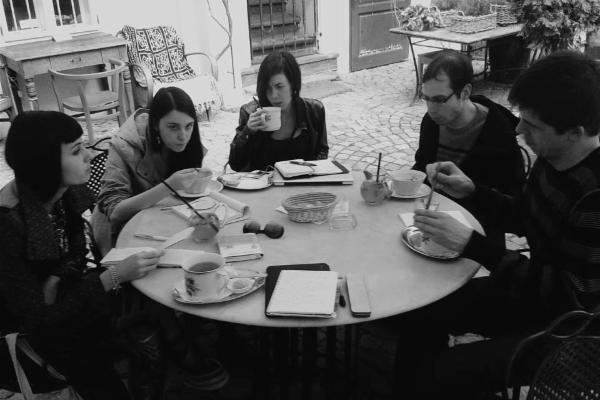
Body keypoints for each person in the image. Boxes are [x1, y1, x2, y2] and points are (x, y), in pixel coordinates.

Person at [395, 50, 600, 399]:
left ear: (573, 133)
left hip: (571, 333)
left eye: (531, 125)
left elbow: (570, 298)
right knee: (423, 309)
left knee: (444, 373)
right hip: (534, 299)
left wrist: (473, 245)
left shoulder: (593, 196)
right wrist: (473, 191)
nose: (518, 130)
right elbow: (525, 215)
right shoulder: (554, 157)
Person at [0, 111, 162, 400]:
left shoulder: (61, 193)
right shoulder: (8, 224)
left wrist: (56, 278)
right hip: (34, 350)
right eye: (76, 150)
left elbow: (74, 254)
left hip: (73, 315)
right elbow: (38, 322)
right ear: (43, 162)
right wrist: (111, 277)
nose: (89, 156)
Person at [413, 50, 526, 246]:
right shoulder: (432, 122)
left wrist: (471, 191)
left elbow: (513, 202)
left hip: (478, 234)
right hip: (434, 223)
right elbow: (421, 165)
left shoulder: (497, 131)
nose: (431, 109)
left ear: (465, 92)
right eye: (426, 98)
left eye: (439, 100)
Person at [91, 86, 206, 255]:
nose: (183, 136)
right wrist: (169, 186)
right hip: (118, 234)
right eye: (173, 127)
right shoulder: (123, 144)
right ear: (155, 124)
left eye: (189, 126)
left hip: (162, 222)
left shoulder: (188, 142)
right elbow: (115, 212)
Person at [228, 50, 329, 172]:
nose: (274, 95)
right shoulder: (250, 113)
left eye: (279, 87)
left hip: (303, 181)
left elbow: (322, 152)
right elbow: (236, 164)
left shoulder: (314, 111)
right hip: (264, 183)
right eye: (267, 88)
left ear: (293, 84)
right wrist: (247, 132)